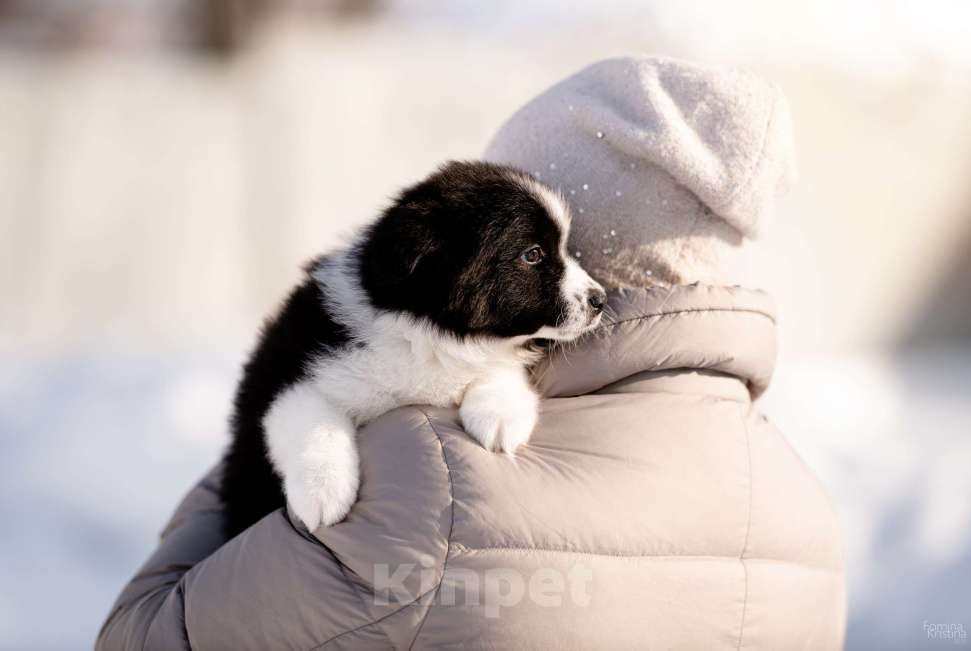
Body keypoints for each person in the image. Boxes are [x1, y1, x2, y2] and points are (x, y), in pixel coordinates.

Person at [97, 56, 846, 650]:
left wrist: (241, 453)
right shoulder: (810, 513)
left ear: (604, 245)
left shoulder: (428, 483)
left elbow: (146, 634)